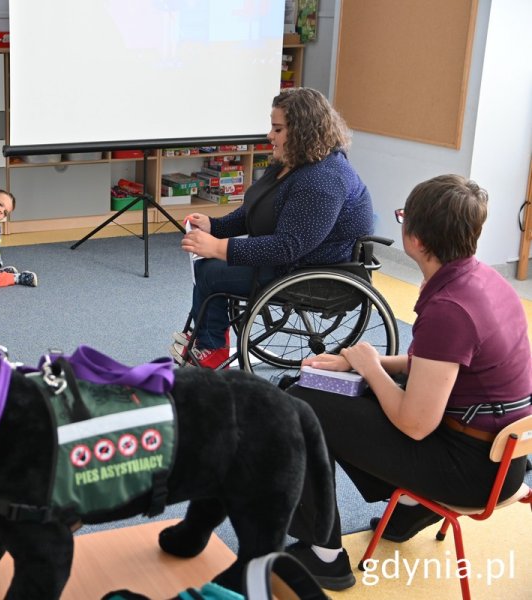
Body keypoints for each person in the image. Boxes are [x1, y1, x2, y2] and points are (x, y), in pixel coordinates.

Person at [282, 175, 532, 591]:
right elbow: (439, 366)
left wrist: (371, 368)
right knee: (320, 390)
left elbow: (416, 424)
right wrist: (367, 362)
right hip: (503, 459)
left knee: (297, 406)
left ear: (414, 238)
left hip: (470, 472)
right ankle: (412, 507)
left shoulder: (450, 308)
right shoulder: (484, 280)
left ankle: (323, 556)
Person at [172, 87, 373, 368]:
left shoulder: (323, 180)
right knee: (208, 263)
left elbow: (287, 246)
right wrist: (214, 226)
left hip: (309, 270)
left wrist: (219, 247)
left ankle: (212, 345)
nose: (270, 135)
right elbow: (255, 210)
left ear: (303, 131)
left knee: (210, 271)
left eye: (277, 129)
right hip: (293, 259)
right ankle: (207, 333)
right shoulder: (291, 163)